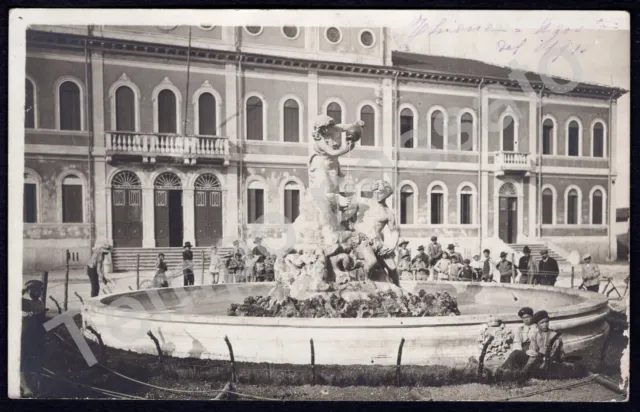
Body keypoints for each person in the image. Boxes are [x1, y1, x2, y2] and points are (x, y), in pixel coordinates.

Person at [21, 279, 46, 396]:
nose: (37, 293)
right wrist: (23, 290)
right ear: (29, 291)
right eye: (34, 290)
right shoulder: (25, 302)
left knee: (67, 320)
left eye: (39, 290)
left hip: (38, 331)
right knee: (25, 359)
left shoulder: (39, 302)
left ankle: (90, 360)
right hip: (27, 334)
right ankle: (26, 386)